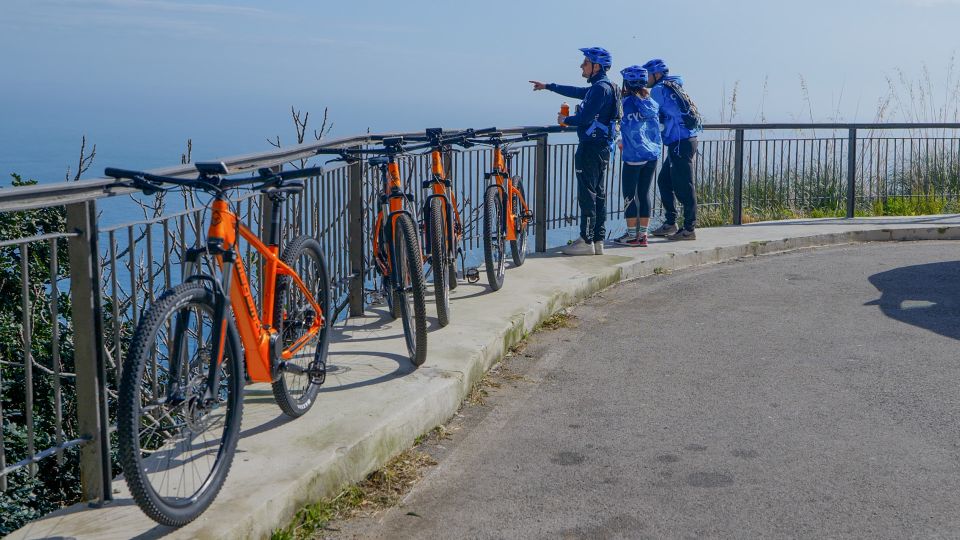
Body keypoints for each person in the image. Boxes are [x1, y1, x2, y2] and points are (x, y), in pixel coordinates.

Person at [530, 47, 619, 256]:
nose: (582, 66)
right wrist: (548, 86)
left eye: (586, 62)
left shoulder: (599, 89)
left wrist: (565, 121)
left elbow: (584, 118)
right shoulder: (608, 86)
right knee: (599, 194)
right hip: (603, 147)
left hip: (590, 147)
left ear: (597, 66)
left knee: (587, 194)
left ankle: (586, 240)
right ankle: (597, 240)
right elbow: (575, 91)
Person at [643, 59, 702, 241]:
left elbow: (650, 111)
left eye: (648, 75)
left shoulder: (659, 90)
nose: (645, 79)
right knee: (664, 181)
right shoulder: (673, 86)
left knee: (684, 185)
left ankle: (689, 228)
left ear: (657, 74)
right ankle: (671, 223)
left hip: (680, 142)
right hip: (684, 139)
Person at [613, 65, 661, 247]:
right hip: (652, 154)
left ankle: (632, 236)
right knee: (644, 193)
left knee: (629, 196)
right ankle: (644, 236)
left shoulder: (625, 104)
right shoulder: (652, 103)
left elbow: (618, 126)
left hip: (634, 156)